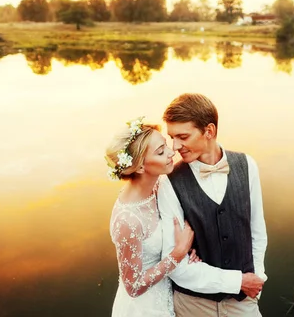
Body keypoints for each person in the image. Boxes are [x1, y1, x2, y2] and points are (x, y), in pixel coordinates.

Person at [158, 93, 268, 316]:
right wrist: (238, 281)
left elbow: (257, 230)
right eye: (172, 137)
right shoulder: (168, 181)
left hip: (244, 302)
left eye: (183, 136)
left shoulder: (248, 165)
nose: (175, 146)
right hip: (192, 304)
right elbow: (175, 262)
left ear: (209, 131)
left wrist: (257, 279)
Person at [105, 117, 195, 317]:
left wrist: (191, 249)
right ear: (139, 167)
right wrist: (178, 254)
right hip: (144, 309)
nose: (172, 152)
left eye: (165, 145)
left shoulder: (160, 184)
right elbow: (133, 287)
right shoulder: (127, 221)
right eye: (161, 152)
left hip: (170, 292)